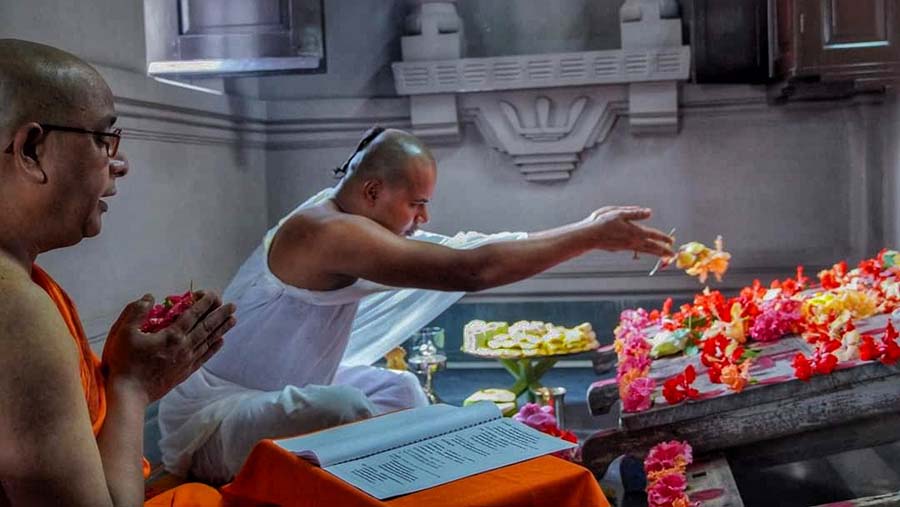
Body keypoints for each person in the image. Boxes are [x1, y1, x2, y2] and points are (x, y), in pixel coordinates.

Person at [159, 126, 675, 483]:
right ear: (373, 190)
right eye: (417, 203)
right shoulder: (326, 232)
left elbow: (461, 251)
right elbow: (468, 269)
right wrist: (586, 237)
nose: (423, 219)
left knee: (401, 389)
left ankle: (418, 481)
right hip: (214, 423)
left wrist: (583, 232)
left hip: (274, 395)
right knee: (344, 409)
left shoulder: (339, 212)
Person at [0, 39, 235, 506]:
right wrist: (131, 386)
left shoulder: (25, 287)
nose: (119, 164)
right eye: (103, 139)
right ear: (30, 150)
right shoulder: (16, 313)